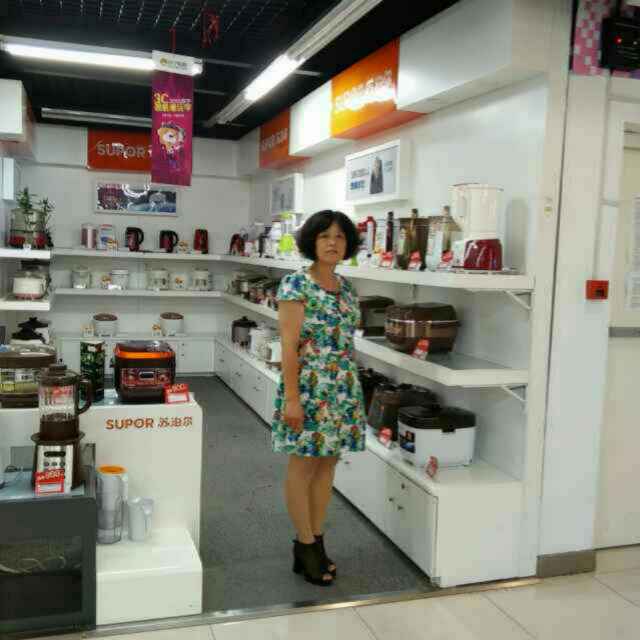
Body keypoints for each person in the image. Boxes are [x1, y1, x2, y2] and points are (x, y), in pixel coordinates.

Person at [271, 210, 366, 587]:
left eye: (340, 237)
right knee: (303, 464)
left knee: (327, 463)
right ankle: (305, 543)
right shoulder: (296, 285)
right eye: (325, 235)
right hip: (309, 388)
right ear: (312, 241)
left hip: (342, 388)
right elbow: (288, 345)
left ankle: (316, 537)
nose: (332, 243)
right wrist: (292, 399)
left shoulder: (347, 288)